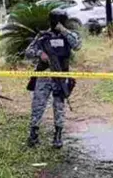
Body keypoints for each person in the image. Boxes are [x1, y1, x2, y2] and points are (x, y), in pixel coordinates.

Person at [24, 8, 82, 149]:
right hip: (44, 75)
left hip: (61, 75)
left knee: (59, 106)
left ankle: (58, 135)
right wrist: (40, 53)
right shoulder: (43, 36)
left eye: (59, 21)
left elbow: (77, 46)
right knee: (38, 105)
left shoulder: (69, 36)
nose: (56, 23)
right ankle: (33, 134)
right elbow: (28, 52)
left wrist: (64, 30)